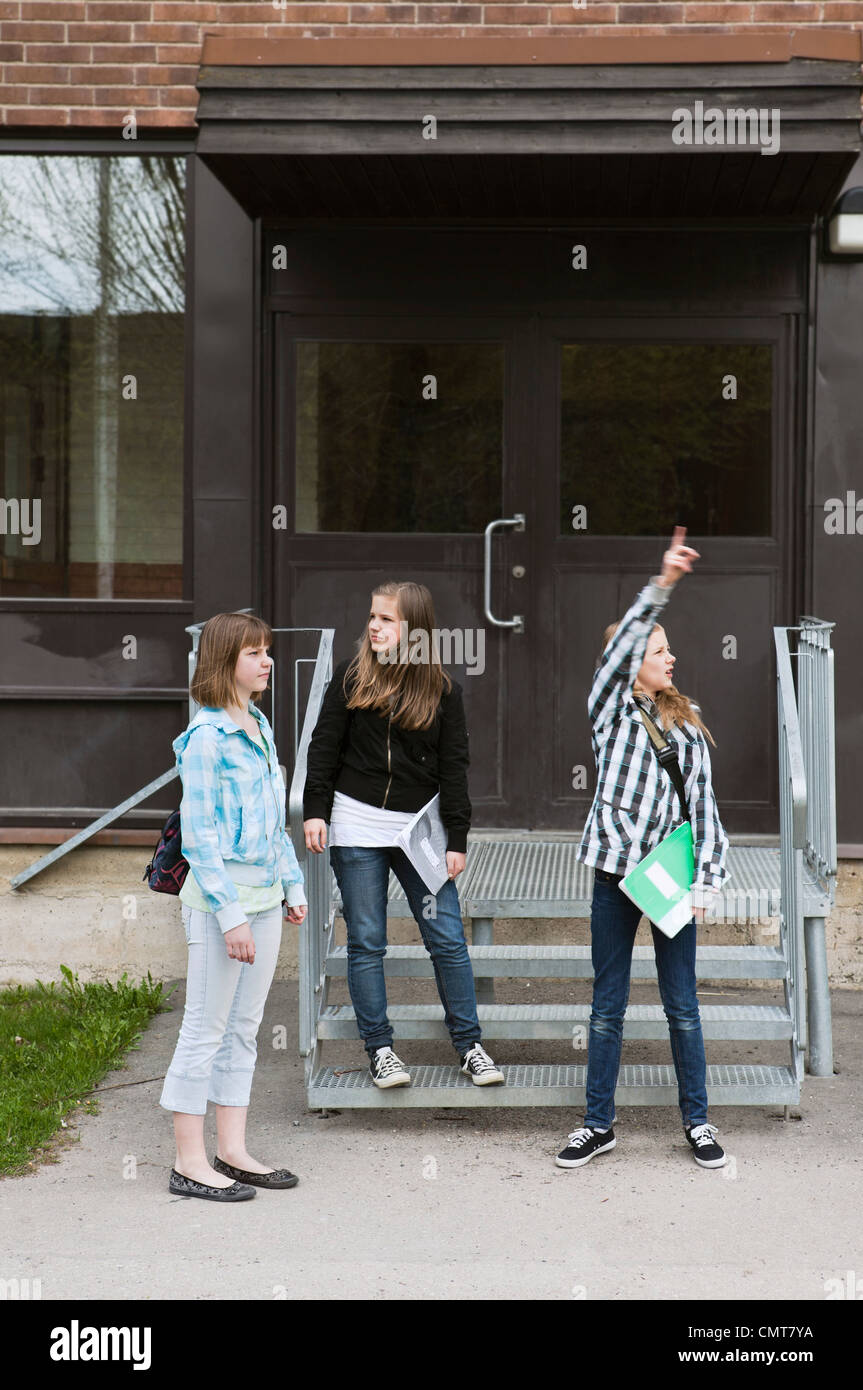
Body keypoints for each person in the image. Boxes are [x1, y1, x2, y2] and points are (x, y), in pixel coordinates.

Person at [556, 526, 729, 1170]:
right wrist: (663, 584)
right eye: (659, 649)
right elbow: (626, 640)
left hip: (672, 880)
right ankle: (597, 1124)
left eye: (669, 648)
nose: (670, 657)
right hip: (614, 877)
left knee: (682, 1005)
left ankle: (699, 1123)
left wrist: (706, 878)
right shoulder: (610, 711)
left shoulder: (686, 721)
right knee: (608, 1006)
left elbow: (704, 808)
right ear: (632, 662)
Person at [303, 580, 504, 1089]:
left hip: (419, 832)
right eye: (372, 616)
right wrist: (315, 810)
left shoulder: (442, 691)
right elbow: (323, 748)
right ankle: (381, 1050)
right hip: (356, 824)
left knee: (447, 937)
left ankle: (470, 1045)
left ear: (414, 628)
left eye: (386, 619)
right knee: (367, 941)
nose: (374, 626)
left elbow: (454, 767)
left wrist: (456, 837)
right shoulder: (350, 679)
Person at [159, 612, 308, 1202]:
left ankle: (233, 1150)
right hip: (222, 903)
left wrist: (292, 888)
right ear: (225, 662)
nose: (267, 661)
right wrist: (231, 917)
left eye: (268, 651)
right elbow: (198, 839)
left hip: (266, 896)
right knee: (204, 1027)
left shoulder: (261, 725)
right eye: (254, 653)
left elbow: (276, 824)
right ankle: (189, 1161)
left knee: (244, 1029)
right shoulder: (205, 739)